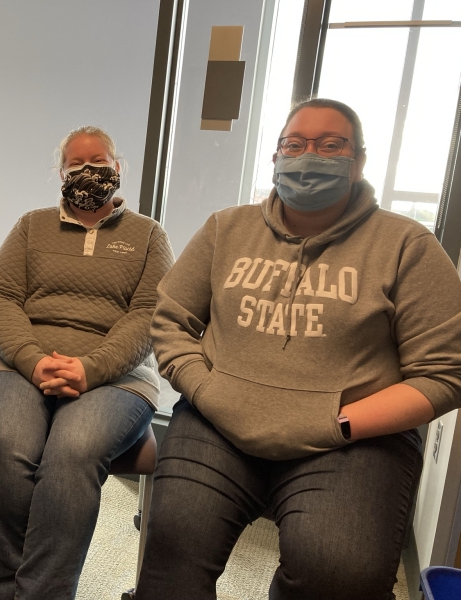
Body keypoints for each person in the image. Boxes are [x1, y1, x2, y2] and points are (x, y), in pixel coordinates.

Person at [135, 98, 461, 600]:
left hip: (351, 440)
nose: (310, 156)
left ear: (359, 161)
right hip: (218, 424)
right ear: (276, 156)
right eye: (295, 144)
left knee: (336, 570)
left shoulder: (407, 246)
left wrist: (341, 421)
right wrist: (209, 391)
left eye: (331, 145)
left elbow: (444, 373)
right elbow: (171, 322)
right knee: (174, 548)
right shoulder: (227, 229)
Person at [0, 125, 174, 599]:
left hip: (116, 375)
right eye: (75, 166)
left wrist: (91, 368)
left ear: (117, 169)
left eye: (98, 163)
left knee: (72, 452)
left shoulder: (148, 235)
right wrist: (33, 359)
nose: (88, 173)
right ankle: (2, 591)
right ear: (59, 174)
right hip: (17, 363)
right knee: (6, 443)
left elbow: (149, 314)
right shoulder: (30, 225)